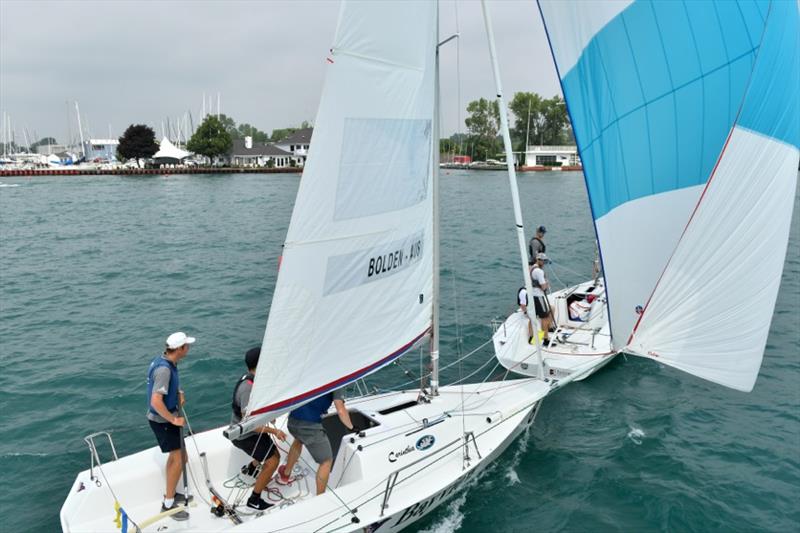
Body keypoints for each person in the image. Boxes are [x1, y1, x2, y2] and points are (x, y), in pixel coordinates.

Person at [231, 346, 287, 511]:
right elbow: (250, 424)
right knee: (273, 461)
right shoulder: (248, 388)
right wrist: (275, 431)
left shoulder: (249, 379)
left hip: (250, 432)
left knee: (274, 453)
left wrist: (268, 416)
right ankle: (254, 500)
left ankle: (251, 469)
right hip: (244, 436)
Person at [146, 331, 195, 521]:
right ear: (180, 349)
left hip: (166, 417)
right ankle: (167, 504)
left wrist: (177, 393)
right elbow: (156, 401)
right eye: (186, 346)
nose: (188, 348)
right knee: (180, 457)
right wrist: (173, 419)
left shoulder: (166, 362)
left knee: (179, 457)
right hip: (163, 421)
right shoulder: (164, 369)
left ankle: (172, 494)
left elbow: (162, 389)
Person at [277, 389, 354, 495]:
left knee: (298, 441)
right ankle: (320, 498)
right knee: (326, 461)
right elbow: (340, 410)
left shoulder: (315, 376)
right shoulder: (336, 381)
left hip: (292, 422)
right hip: (309, 426)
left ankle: (285, 474)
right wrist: (352, 427)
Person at [530, 253, 555, 344]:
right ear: (538, 260)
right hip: (539, 296)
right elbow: (544, 287)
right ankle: (546, 339)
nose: (544, 263)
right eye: (543, 261)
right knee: (544, 318)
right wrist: (547, 283)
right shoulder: (539, 271)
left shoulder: (532, 268)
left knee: (535, 317)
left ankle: (534, 338)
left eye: (545, 261)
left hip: (533, 296)